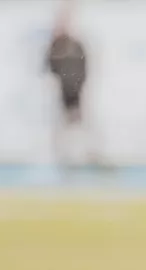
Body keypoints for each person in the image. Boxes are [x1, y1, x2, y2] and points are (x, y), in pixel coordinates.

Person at [44, 4, 94, 168]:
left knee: (78, 125)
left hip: (76, 92)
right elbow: (48, 67)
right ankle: (61, 158)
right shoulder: (55, 45)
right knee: (62, 126)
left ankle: (81, 156)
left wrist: (80, 84)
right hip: (60, 93)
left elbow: (84, 67)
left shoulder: (76, 44)